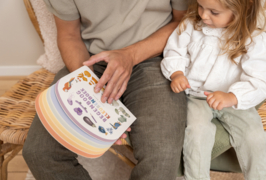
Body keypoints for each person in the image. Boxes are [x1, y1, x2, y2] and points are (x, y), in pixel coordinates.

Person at [22, 0, 189, 180]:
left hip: (157, 58)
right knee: (40, 152)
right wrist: (88, 88)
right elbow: (69, 35)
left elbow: (183, 21)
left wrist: (130, 55)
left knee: (160, 161)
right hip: (92, 63)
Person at [161, 0, 266, 179]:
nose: (203, 15)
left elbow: (260, 80)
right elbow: (174, 51)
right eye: (201, 6)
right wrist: (177, 74)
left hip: (234, 100)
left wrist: (232, 96)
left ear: (241, 10)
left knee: (255, 138)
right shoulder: (191, 25)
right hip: (196, 95)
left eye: (214, 12)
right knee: (197, 133)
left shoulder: (255, 37)